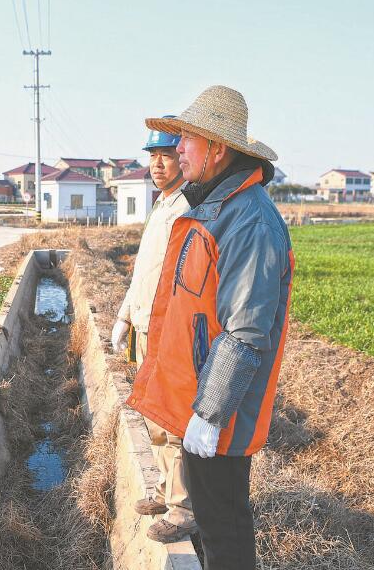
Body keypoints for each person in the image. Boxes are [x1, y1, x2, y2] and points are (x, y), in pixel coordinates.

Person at [126, 85, 294, 570]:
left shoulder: (250, 222)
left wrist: (211, 413)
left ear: (217, 149)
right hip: (197, 402)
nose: (177, 148)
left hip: (219, 412)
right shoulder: (213, 208)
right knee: (217, 524)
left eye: (187, 140)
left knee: (225, 528)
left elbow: (244, 332)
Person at [111, 119, 195, 543]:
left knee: (176, 422)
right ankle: (164, 491)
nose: (158, 164)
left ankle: (183, 511)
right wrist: (126, 316)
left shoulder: (188, 208)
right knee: (156, 420)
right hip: (146, 329)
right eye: (153, 156)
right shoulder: (162, 205)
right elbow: (144, 274)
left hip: (169, 333)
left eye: (167, 155)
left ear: (184, 156)